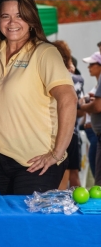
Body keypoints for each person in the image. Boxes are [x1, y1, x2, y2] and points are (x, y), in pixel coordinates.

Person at [0, 0, 76, 195]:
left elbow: (68, 100)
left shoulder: (44, 53)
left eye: (20, 16)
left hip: (37, 163)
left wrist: (57, 153)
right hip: (0, 159)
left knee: (24, 224)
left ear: (31, 19)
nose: (12, 23)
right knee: (8, 223)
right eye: (6, 16)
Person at [52, 40, 84, 189]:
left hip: (51, 133)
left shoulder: (46, 77)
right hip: (72, 131)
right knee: (73, 176)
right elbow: (80, 108)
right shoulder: (76, 80)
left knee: (58, 180)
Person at [79, 52, 101, 185]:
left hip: (97, 135)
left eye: (92, 64)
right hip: (95, 135)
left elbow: (98, 107)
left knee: (98, 182)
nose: (89, 67)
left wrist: (84, 105)